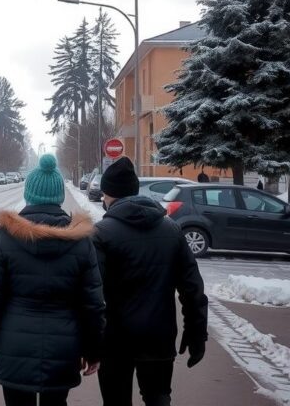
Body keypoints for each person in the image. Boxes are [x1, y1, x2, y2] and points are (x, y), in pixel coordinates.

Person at [0, 154, 105, 406]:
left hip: (14, 346)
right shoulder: (80, 240)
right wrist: (93, 350)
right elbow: (93, 303)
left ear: (29, 194)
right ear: (59, 196)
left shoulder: (6, 236)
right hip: (63, 348)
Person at [94, 157, 208, 406]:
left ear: (109, 194)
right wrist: (197, 331)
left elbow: (92, 294)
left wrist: (88, 342)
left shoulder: (101, 233)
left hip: (115, 340)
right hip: (159, 335)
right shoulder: (171, 229)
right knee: (158, 398)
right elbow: (192, 288)